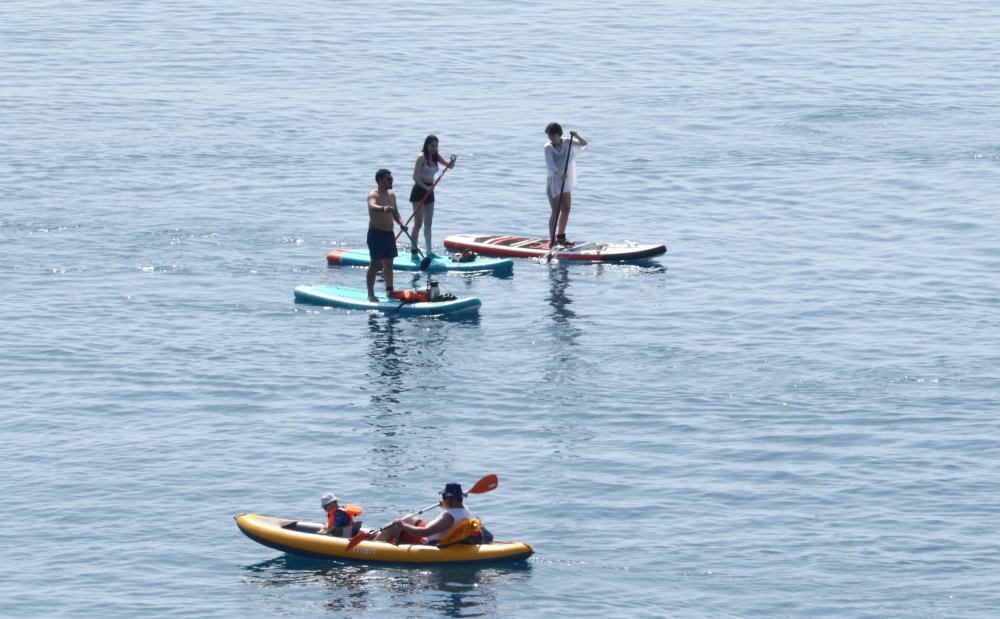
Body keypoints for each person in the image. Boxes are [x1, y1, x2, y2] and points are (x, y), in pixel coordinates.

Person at [374, 483, 478, 545]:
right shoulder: (464, 509)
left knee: (392, 527)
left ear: (451, 499)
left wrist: (402, 526)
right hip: (436, 533)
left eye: (445, 497)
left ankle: (374, 546)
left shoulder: (448, 517)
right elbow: (454, 511)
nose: (443, 499)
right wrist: (445, 505)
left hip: (426, 541)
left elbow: (424, 532)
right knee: (408, 517)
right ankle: (385, 537)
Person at [408, 135, 457, 257]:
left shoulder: (436, 156)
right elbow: (415, 177)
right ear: (426, 145)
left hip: (430, 191)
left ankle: (429, 251)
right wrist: (426, 187)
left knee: (428, 224)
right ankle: (414, 252)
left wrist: (453, 159)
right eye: (432, 146)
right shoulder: (421, 157)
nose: (434, 148)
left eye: (436, 146)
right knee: (418, 223)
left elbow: (449, 166)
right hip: (419, 190)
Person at [544, 122, 588, 247]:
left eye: (553, 136)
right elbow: (550, 165)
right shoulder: (548, 147)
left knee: (566, 209)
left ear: (559, 135)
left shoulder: (568, 142)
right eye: (549, 136)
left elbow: (584, 145)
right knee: (555, 211)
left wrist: (577, 135)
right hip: (554, 182)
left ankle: (561, 238)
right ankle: (552, 241)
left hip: (566, 182)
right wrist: (559, 174)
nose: (550, 139)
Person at [367, 168, 407, 302]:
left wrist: (402, 223)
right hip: (376, 234)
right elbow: (372, 206)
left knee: (389, 264)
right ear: (380, 181)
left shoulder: (392, 195)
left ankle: (390, 291)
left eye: (392, 179)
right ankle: (371, 294)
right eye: (388, 179)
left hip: (389, 234)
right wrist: (383, 208)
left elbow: (395, 212)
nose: (391, 181)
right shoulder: (374, 195)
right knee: (374, 264)